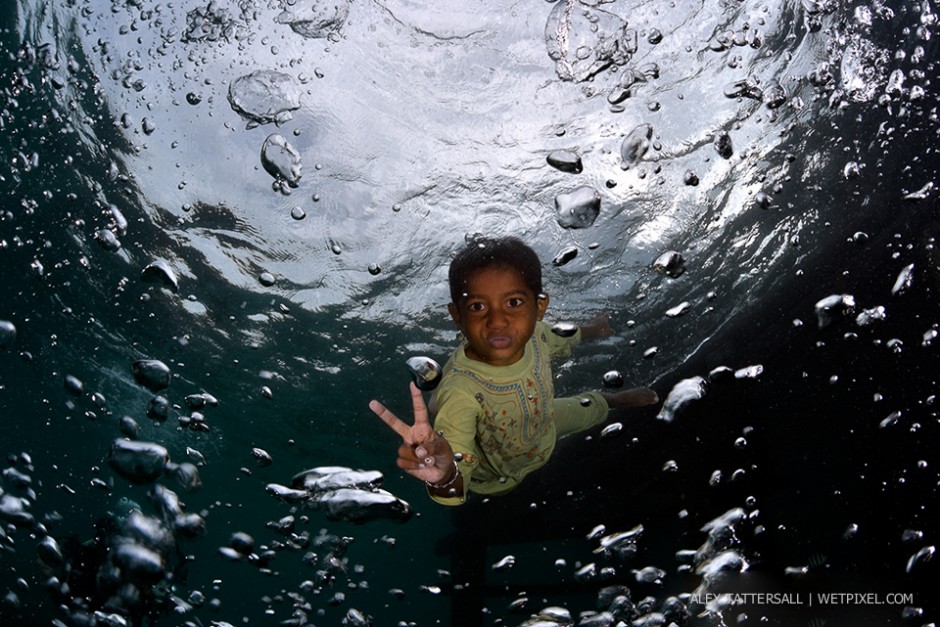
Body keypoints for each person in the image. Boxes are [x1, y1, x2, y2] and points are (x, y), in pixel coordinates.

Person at [369, 236, 658, 505]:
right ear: (457, 316)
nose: (497, 320)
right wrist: (444, 475)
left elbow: (559, 336)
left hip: (543, 421)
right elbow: (455, 477)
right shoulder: (460, 394)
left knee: (584, 405)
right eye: (477, 306)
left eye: (514, 303)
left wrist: (594, 330)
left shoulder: (537, 334)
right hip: (499, 475)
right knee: (508, 489)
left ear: (539, 306)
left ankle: (613, 399)